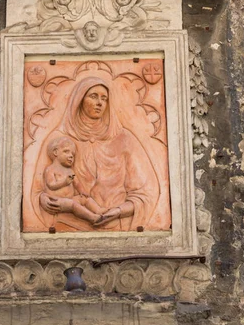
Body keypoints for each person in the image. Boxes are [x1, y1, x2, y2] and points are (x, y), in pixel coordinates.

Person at [34, 76, 162, 232]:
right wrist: (43, 198)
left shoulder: (125, 138)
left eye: (104, 98)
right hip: (66, 225)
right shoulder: (59, 140)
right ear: (79, 100)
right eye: (93, 96)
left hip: (117, 227)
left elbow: (146, 193)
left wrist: (118, 211)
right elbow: (37, 189)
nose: (100, 103)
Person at [43, 136, 107, 225]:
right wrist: (64, 182)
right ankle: (92, 217)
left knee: (84, 199)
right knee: (73, 204)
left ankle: (98, 210)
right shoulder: (51, 169)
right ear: (56, 152)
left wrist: (82, 191)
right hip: (57, 201)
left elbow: (77, 183)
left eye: (73, 154)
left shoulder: (70, 171)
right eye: (66, 151)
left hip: (69, 199)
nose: (71, 156)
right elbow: (51, 185)